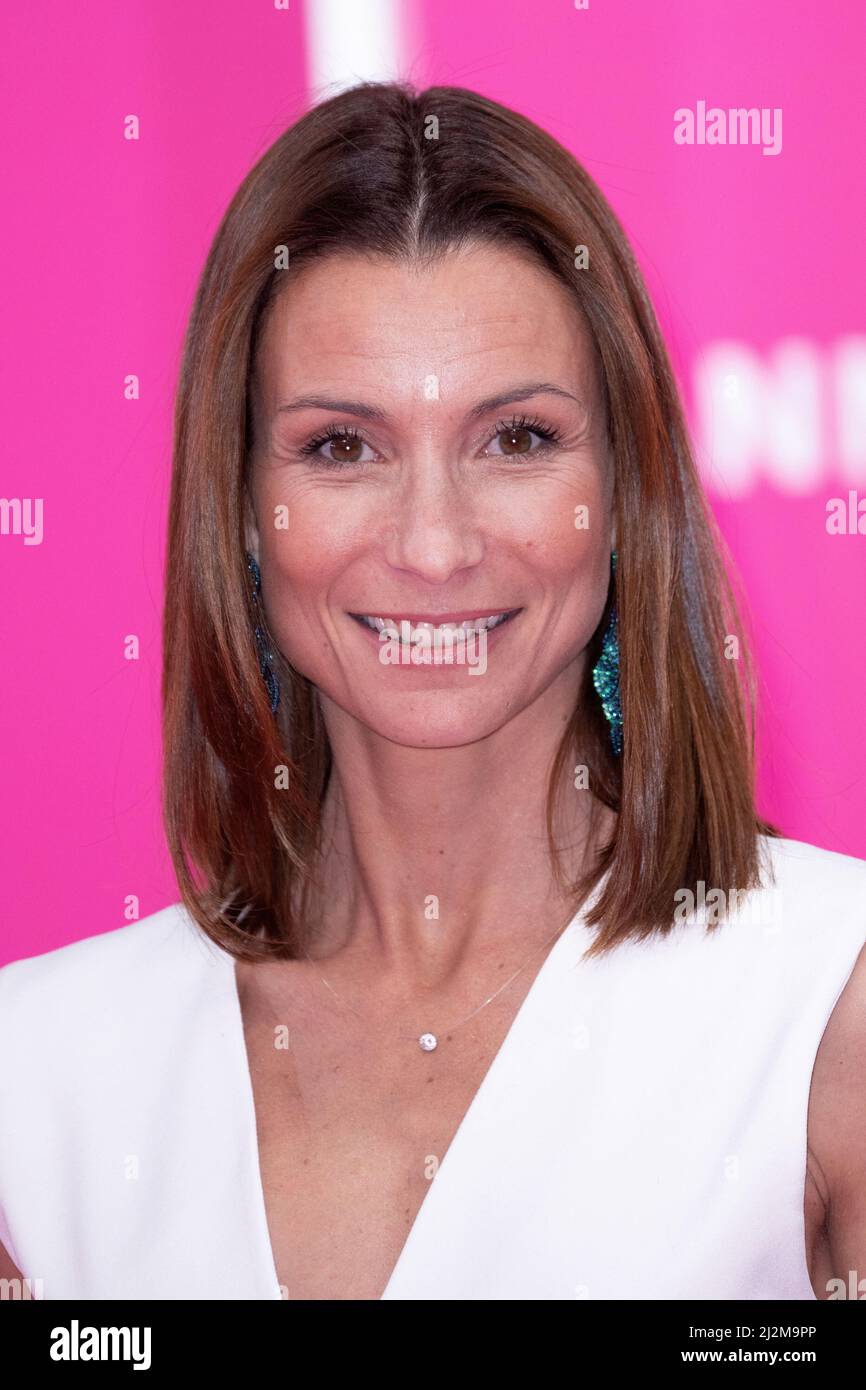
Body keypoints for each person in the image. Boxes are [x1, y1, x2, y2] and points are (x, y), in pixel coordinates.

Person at [1, 81, 865, 1302]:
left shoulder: (828, 1003)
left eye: (513, 438)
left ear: (625, 490)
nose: (434, 543)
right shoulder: (39, 1078)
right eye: (340, 448)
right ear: (245, 510)